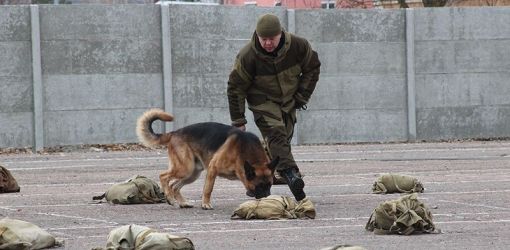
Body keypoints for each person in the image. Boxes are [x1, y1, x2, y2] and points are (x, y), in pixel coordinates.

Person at [227, 13, 321, 201]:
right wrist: (238, 120)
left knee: (282, 139)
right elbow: (235, 87)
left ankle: (259, 184)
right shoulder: (248, 56)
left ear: (280, 35)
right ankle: (291, 174)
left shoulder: (298, 46)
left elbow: (313, 67)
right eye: (264, 39)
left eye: (272, 39)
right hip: (262, 101)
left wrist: (302, 95)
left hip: (289, 100)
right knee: (276, 134)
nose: (268, 43)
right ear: (257, 36)